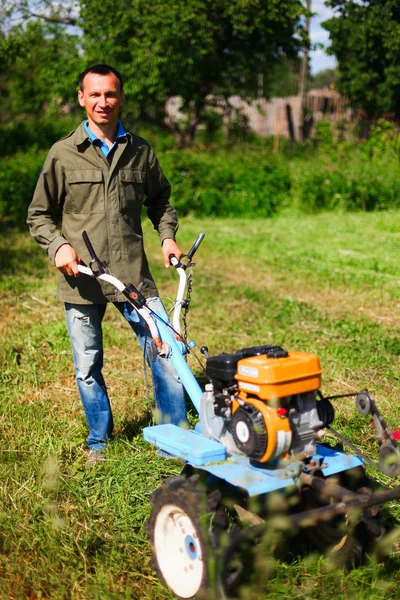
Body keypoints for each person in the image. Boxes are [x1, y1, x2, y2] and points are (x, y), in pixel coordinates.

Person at [27, 64, 188, 463]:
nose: (103, 102)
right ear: (82, 98)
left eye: (110, 94)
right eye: (94, 94)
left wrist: (167, 235)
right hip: (81, 278)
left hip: (132, 274)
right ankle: (100, 440)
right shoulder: (62, 153)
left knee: (166, 352)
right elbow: (39, 214)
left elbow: (161, 201)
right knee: (87, 365)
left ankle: (175, 437)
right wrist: (59, 246)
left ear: (121, 98)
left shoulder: (141, 151)